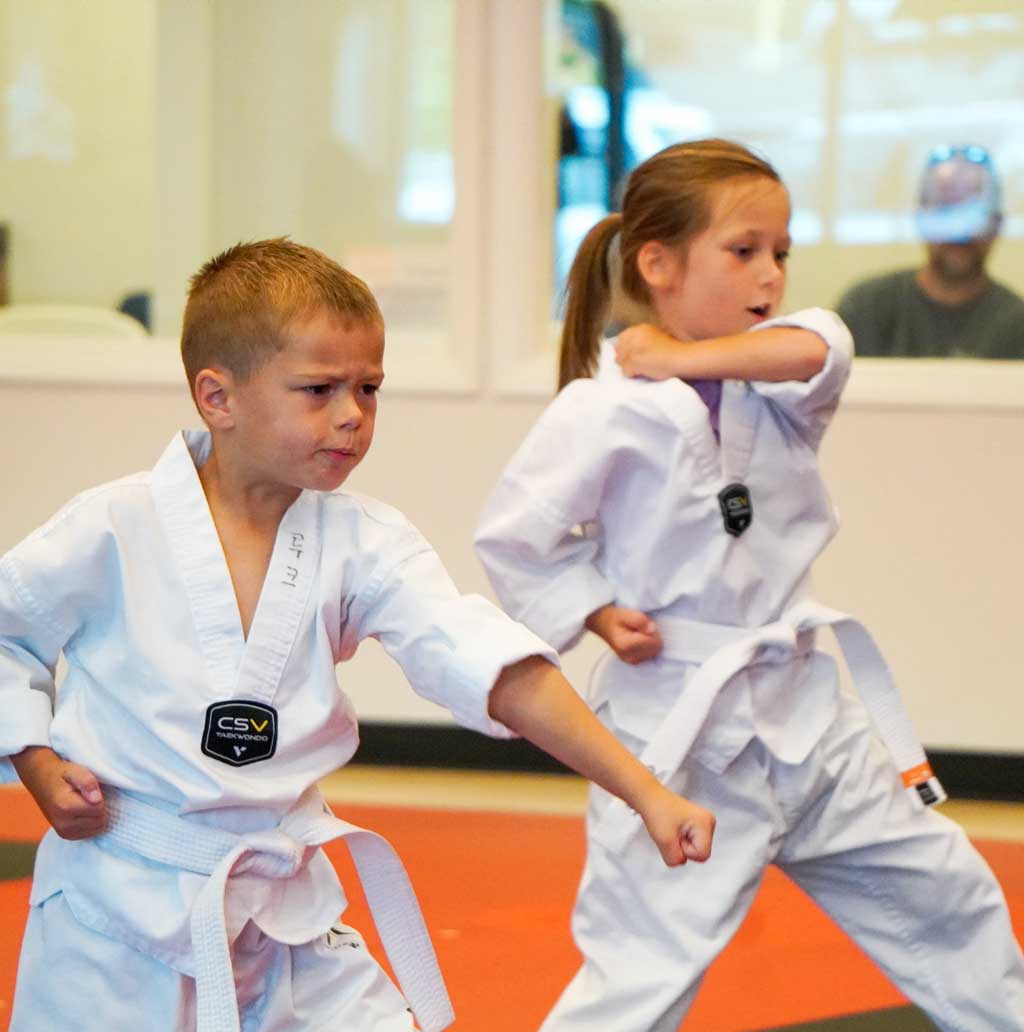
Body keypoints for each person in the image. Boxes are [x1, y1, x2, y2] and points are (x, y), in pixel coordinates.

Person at [0, 238, 716, 1032]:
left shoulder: (364, 542)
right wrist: (33, 760)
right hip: (116, 919)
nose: (352, 416)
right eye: (319, 389)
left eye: (369, 388)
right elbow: (7, 636)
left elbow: (488, 664)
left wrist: (643, 788)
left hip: (283, 912)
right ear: (218, 398)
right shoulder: (112, 527)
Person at [474, 139, 1024, 1032]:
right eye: (743, 251)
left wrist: (681, 358)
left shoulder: (776, 381)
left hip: (810, 715)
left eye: (781, 251)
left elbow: (821, 346)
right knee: (640, 971)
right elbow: (516, 536)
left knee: (947, 896)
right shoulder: (601, 408)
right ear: (657, 263)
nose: (770, 272)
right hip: (678, 735)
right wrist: (594, 610)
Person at [837, 144, 1024, 358]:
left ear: (997, 224)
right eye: (946, 213)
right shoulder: (866, 309)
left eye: (972, 216)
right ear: (921, 219)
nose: (959, 234)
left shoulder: (1017, 324)